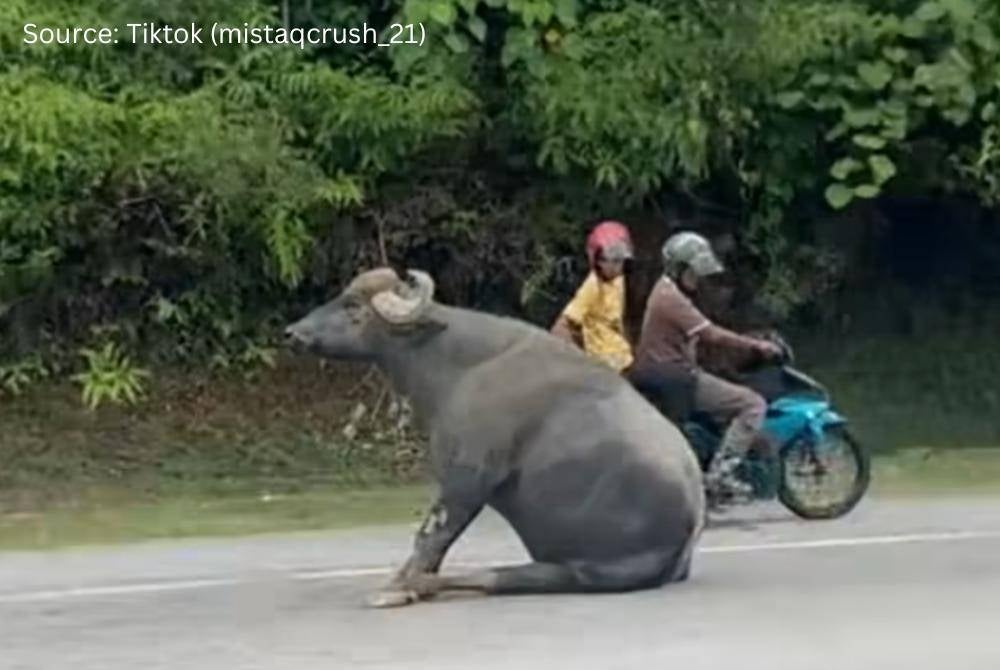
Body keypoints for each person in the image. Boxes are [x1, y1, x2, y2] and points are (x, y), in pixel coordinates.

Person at [632, 231, 784, 500]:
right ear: (679, 268)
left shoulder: (665, 290)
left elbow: (696, 340)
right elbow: (711, 333)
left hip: (662, 373)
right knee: (752, 404)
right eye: (694, 272)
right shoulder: (671, 299)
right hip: (675, 376)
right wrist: (756, 346)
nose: (698, 279)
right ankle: (721, 475)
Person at [550, 221, 635, 373]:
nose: (616, 266)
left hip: (622, 360)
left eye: (620, 260)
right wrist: (578, 362)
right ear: (597, 260)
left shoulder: (618, 280)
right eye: (610, 260)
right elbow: (561, 326)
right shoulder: (592, 286)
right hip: (602, 364)